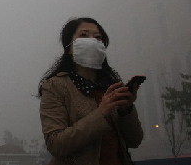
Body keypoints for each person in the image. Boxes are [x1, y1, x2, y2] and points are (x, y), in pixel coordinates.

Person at [38, 17, 143, 165]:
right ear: (69, 47)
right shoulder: (55, 86)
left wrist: (126, 110)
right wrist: (101, 113)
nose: (92, 41)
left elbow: (135, 141)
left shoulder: (110, 86)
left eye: (98, 37)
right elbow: (56, 144)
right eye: (84, 35)